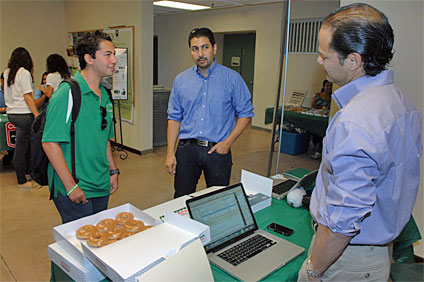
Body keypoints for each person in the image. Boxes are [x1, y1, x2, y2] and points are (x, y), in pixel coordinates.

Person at [298, 3, 422, 281]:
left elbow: (344, 219)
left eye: (324, 55)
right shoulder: (403, 102)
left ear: (353, 61)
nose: (319, 62)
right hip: (377, 253)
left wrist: (314, 269)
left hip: (345, 258)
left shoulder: (355, 121)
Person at [165, 27, 254, 198]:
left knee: (218, 199)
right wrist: (170, 153)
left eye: (205, 47)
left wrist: (227, 143)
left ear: (214, 48)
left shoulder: (232, 79)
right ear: (190, 51)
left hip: (218, 150)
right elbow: (174, 117)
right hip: (187, 150)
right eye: (195, 49)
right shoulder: (181, 80)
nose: (200, 53)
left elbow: (246, 114)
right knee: (181, 198)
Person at [42, 31, 119, 223]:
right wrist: (70, 186)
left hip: (100, 183)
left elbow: (104, 138)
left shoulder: (104, 94)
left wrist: (113, 171)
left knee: (99, 238)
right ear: (89, 58)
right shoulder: (67, 93)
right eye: (108, 54)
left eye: (114, 54)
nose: (114, 60)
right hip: (75, 187)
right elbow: (50, 143)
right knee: (80, 246)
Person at [4, 47, 40, 190]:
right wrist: (37, 115)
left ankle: (26, 173)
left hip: (11, 113)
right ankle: (22, 181)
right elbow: (27, 97)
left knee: (24, 148)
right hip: (23, 115)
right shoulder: (24, 73)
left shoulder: (7, 73)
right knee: (21, 149)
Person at [310, 79, 333, 160]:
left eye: (331, 85)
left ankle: (319, 150)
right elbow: (313, 105)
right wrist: (322, 108)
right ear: (324, 87)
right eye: (327, 86)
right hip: (316, 116)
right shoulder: (317, 95)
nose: (329, 87)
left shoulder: (333, 97)